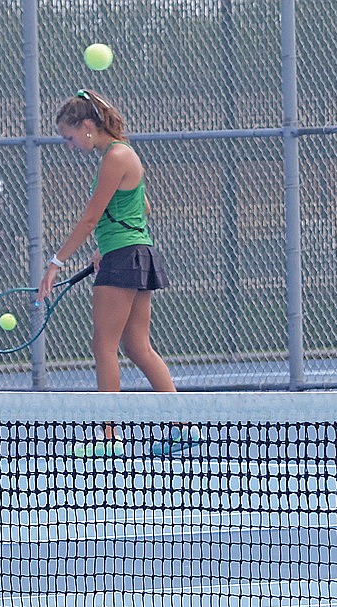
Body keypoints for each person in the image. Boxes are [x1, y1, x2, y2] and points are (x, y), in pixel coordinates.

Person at [37, 89, 197, 456]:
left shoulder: (115, 156)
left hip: (126, 257)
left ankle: (109, 438)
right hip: (134, 252)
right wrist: (103, 247)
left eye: (69, 136)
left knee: (104, 345)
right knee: (136, 346)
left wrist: (55, 263)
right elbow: (143, 205)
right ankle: (182, 428)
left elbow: (91, 216)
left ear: (88, 126)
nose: (69, 144)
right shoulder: (124, 155)